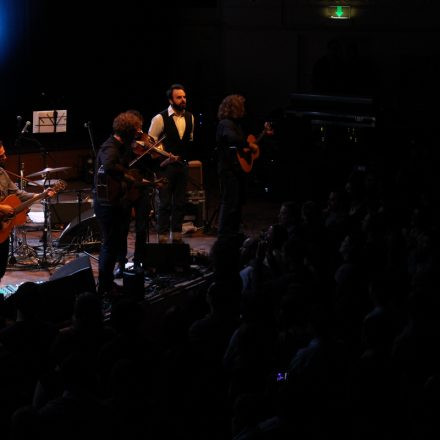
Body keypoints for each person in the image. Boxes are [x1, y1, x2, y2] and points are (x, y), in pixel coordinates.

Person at [93, 111, 146, 296]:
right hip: (107, 206)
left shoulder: (120, 146)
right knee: (109, 246)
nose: (139, 133)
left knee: (112, 245)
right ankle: (104, 287)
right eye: (136, 130)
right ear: (128, 131)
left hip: (113, 203)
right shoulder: (111, 148)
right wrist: (128, 177)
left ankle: (106, 284)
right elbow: (108, 165)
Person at [0, 140, 53, 283]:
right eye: (1, 156)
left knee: (0, 269)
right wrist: (1, 207)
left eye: (4, 154)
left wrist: (38, 196)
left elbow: (17, 193)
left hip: (2, 229)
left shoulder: (2, 173)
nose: (5, 158)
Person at [148, 83, 194, 244]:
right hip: (165, 167)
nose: (183, 100)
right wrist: (164, 158)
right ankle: (162, 238)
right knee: (165, 203)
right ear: (170, 100)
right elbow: (149, 145)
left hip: (182, 166)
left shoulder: (190, 117)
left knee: (180, 203)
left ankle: (176, 236)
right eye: (179, 97)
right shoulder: (160, 118)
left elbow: (189, 140)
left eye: (184, 97)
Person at [114, 109, 155, 278]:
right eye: (136, 128)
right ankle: (121, 262)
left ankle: (139, 261)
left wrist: (152, 151)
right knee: (122, 227)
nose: (140, 131)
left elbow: (153, 164)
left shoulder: (146, 140)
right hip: (125, 188)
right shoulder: (121, 143)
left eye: (141, 127)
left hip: (142, 187)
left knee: (141, 227)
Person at [215, 94, 253, 239]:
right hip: (228, 171)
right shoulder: (225, 124)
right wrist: (248, 145)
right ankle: (224, 234)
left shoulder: (235, 124)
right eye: (241, 106)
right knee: (229, 203)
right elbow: (231, 138)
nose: (243, 109)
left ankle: (232, 233)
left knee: (236, 204)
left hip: (235, 170)